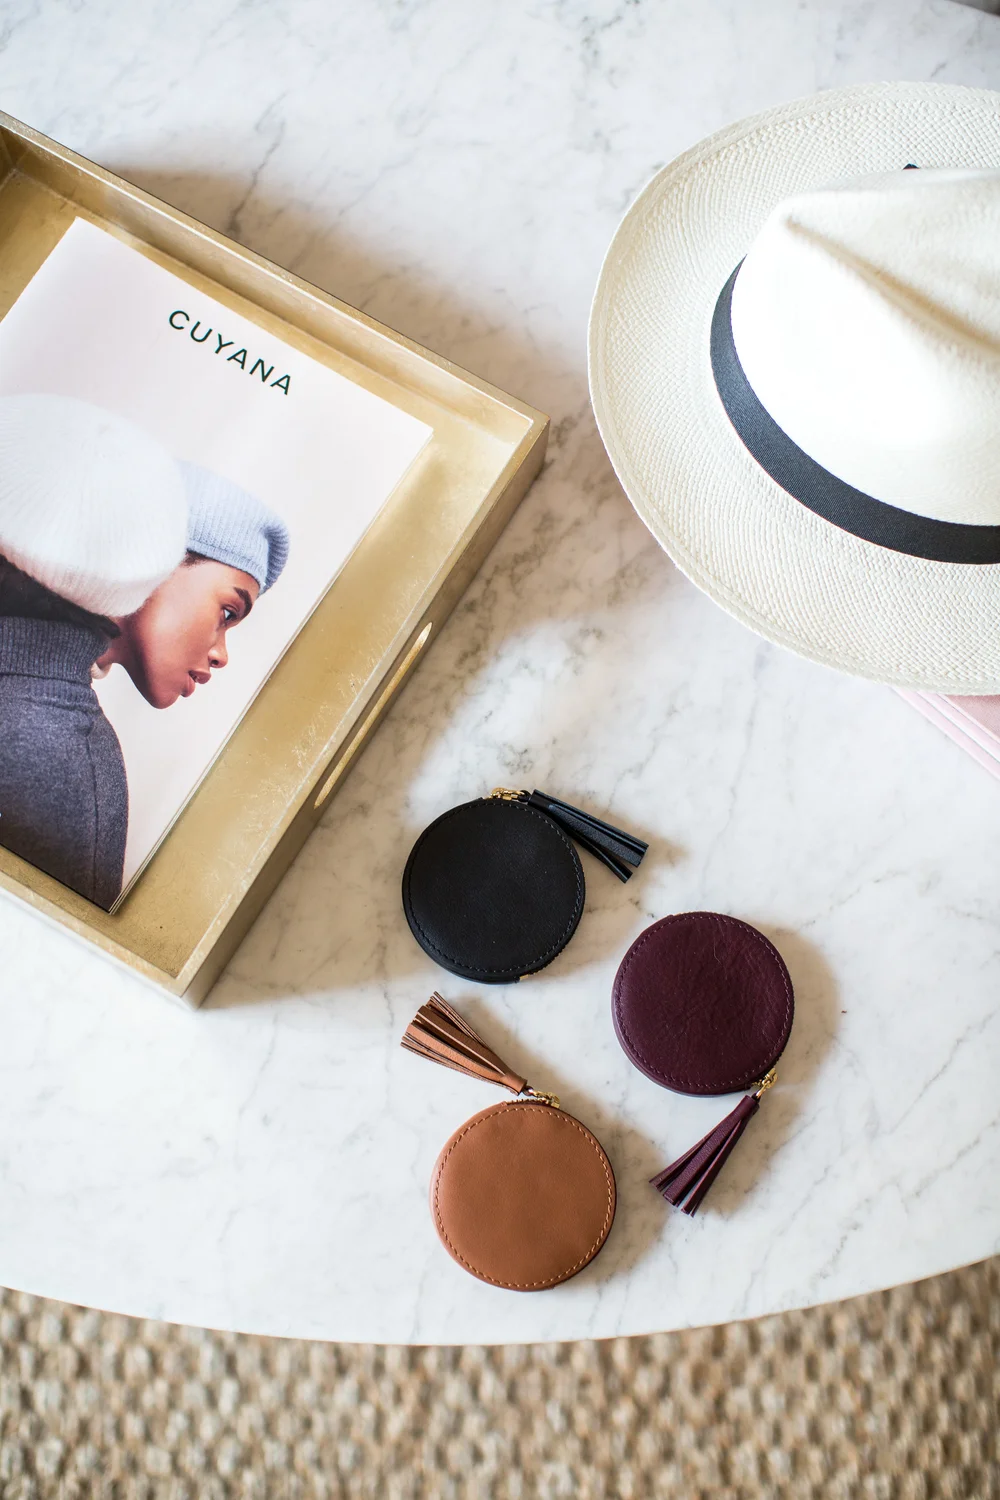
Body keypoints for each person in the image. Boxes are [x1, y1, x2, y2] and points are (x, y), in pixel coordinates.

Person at [0, 395, 290, 907]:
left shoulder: (57, 740)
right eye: (227, 612)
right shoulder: (64, 754)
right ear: (154, 551)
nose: (221, 654)